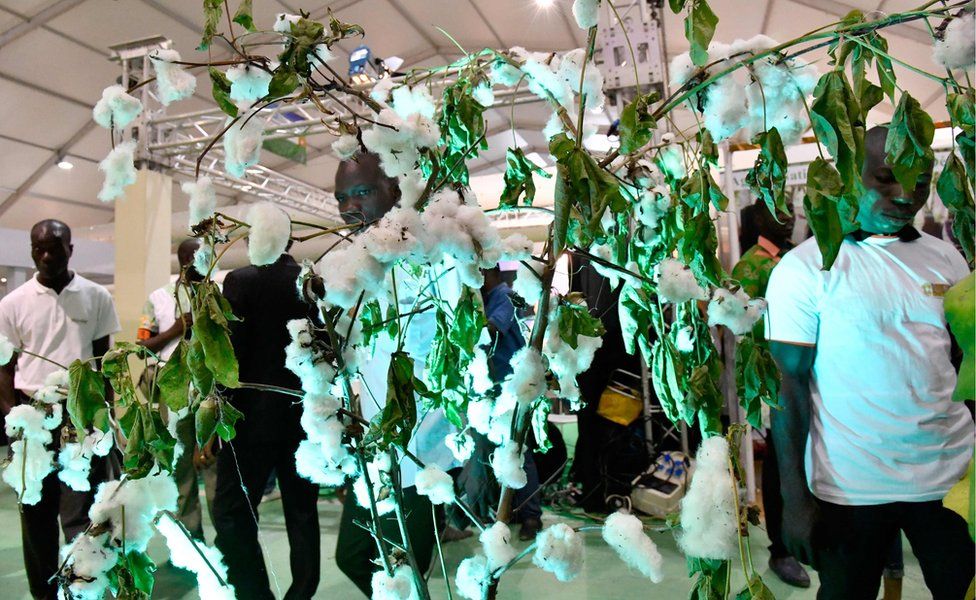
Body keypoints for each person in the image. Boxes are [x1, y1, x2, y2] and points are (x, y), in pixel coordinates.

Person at [766, 125, 975, 600]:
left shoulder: (947, 260)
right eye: (886, 178)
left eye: (920, 181)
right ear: (848, 175)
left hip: (947, 478)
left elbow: (966, 368)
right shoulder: (804, 269)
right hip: (851, 487)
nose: (906, 194)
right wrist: (794, 499)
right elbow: (788, 391)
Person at [329, 152, 458, 596]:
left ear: (394, 191)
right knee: (357, 557)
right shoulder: (363, 265)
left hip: (421, 450)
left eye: (362, 192)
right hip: (377, 443)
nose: (349, 207)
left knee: (403, 569)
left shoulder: (429, 256)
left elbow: (454, 346)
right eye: (341, 197)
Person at [0, 219, 121, 600]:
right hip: (32, 419)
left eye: (55, 248)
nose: (47, 256)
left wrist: (104, 420)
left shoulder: (96, 296)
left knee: (80, 516)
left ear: (71, 249)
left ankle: (80, 592)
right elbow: (4, 367)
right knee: (34, 514)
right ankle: (44, 595)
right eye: (39, 249)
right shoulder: (13, 303)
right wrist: (13, 418)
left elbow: (102, 363)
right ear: (32, 251)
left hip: (80, 418)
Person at [212, 231, 322, 600]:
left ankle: (255, 592)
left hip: (248, 419)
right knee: (302, 512)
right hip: (302, 416)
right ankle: (301, 593)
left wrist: (218, 414)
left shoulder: (239, 281)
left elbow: (229, 354)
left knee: (233, 513)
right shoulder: (309, 282)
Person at [731, 201, 809, 588]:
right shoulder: (752, 264)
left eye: (792, 209)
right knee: (782, 462)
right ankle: (782, 549)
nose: (790, 217)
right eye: (779, 211)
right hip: (777, 380)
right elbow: (741, 325)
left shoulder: (797, 256)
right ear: (758, 219)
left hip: (811, 375)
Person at [136, 238, 216, 541]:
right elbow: (142, 347)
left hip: (211, 391)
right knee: (180, 467)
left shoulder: (217, 295)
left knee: (214, 466)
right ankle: (190, 540)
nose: (198, 264)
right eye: (192, 258)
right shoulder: (159, 297)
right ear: (182, 260)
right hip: (174, 390)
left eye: (204, 258)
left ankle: (227, 544)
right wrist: (175, 331)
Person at [481, 266, 543, 540]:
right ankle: (510, 511)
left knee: (520, 451)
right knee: (502, 453)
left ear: (486, 270)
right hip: (494, 388)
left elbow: (492, 330)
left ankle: (532, 516)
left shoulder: (504, 296)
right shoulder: (485, 300)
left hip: (511, 388)